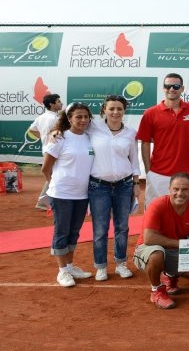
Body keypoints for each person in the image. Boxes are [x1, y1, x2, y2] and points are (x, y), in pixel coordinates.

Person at [132, 173, 189, 309]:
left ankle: (170, 277)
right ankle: (156, 291)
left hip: (174, 248)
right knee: (157, 254)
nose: (180, 193)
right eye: (176, 189)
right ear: (169, 189)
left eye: (185, 189)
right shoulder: (157, 205)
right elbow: (149, 238)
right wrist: (181, 245)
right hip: (148, 248)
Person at [87, 95, 140, 281]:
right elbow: (70, 120)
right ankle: (101, 266)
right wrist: (56, 132)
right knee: (100, 228)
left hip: (124, 185)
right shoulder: (92, 127)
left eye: (119, 109)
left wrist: (135, 183)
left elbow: (134, 161)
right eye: (111, 109)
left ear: (124, 111)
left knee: (122, 227)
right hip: (98, 186)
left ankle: (120, 263)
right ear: (104, 110)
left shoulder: (131, 133)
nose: (115, 112)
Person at [42, 102, 94, 287]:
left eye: (85, 117)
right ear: (69, 118)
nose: (82, 120)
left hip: (82, 196)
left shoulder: (90, 138)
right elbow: (45, 168)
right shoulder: (59, 138)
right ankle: (62, 271)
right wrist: (55, 186)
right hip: (61, 195)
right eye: (78, 116)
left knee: (73, 232)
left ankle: (70, 266)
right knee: (61, 232)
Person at [137, 73, 189, 208]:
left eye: (176, 86)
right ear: (163, 88)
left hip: (185, 171)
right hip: (158, 172)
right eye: (168, 86)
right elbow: (145, 142)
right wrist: (148, 170)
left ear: (182, 88)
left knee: (184, 211)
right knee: (155, 211)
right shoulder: (150, 113)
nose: (171, 89)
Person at [28, 93, 63, 210]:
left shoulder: (41, 117)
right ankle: (42, 202)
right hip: (54, 150)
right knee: (53, 175)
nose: (61, 103)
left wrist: (43, 136)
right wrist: (46, 137)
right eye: (58, 101)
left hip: (47, 149)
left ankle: (44, 201)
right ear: (51, 104)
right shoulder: (55, 118)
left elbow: (31, 130)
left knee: (53, 174)